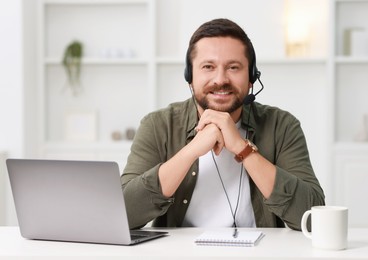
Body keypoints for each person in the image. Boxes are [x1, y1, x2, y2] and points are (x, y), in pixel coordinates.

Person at [121, 18, 325, 230]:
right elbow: (123, 214)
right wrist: (190, 151)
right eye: (208, 66)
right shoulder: (157, 125)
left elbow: (312, 218)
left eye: (233, 67)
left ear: (251, 77)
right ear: (190, 77)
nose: (220, 79)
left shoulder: (282, 125)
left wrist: (241, 148)